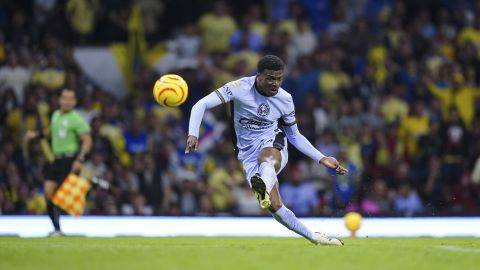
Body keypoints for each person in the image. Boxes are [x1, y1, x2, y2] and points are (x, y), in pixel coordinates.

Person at [186, 55, 347, 245]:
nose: (275, 83)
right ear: (258, 76)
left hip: (273, 142)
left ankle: (262, 181)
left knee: (268, 158)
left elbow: (294, 135)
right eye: (270, 78)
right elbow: (201, 104)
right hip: (247, 153)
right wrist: (193, 134)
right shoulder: (239, 88)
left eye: (279, 78)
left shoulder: (285, 99)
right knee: (274, 206)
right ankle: (313, 236)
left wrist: (321, 158)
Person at [25, 88, 92, 237]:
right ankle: (57, 229)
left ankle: (83, 219)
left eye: (70, 99)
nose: (67, 101)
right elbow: (50, 131)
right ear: (60, 100)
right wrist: (35, 135)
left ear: (74, 102)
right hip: (56, 160)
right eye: (64, 98)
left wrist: (79, 160)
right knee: (48, 193)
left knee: (67, 198)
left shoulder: (76, 119)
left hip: (70, 159)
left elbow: (87, 140)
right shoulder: (56, 115)